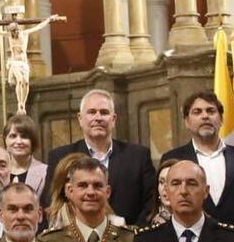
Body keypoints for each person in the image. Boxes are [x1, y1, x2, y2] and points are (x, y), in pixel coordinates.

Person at [161, 90, 234, 242]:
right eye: (197, 112)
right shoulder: (173, 158)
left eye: (211, 111)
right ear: (186, 122)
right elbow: (163, 206)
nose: (205, 116)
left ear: (221, 120)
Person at [47, 90, 155, 225]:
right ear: (80, 119)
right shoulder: (61, 157)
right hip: (76, 240)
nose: (98, 117)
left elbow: (151, 202)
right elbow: (53, 202)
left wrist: (133, 235)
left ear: (113, 119)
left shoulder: (138, 156)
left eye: (104, 112)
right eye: (92, 112)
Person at [3, 112, 47, 200]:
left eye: (24, 137)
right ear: (5, 140)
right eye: (13, 136)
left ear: (33, 141)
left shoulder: (46, 172)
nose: (18, 141)